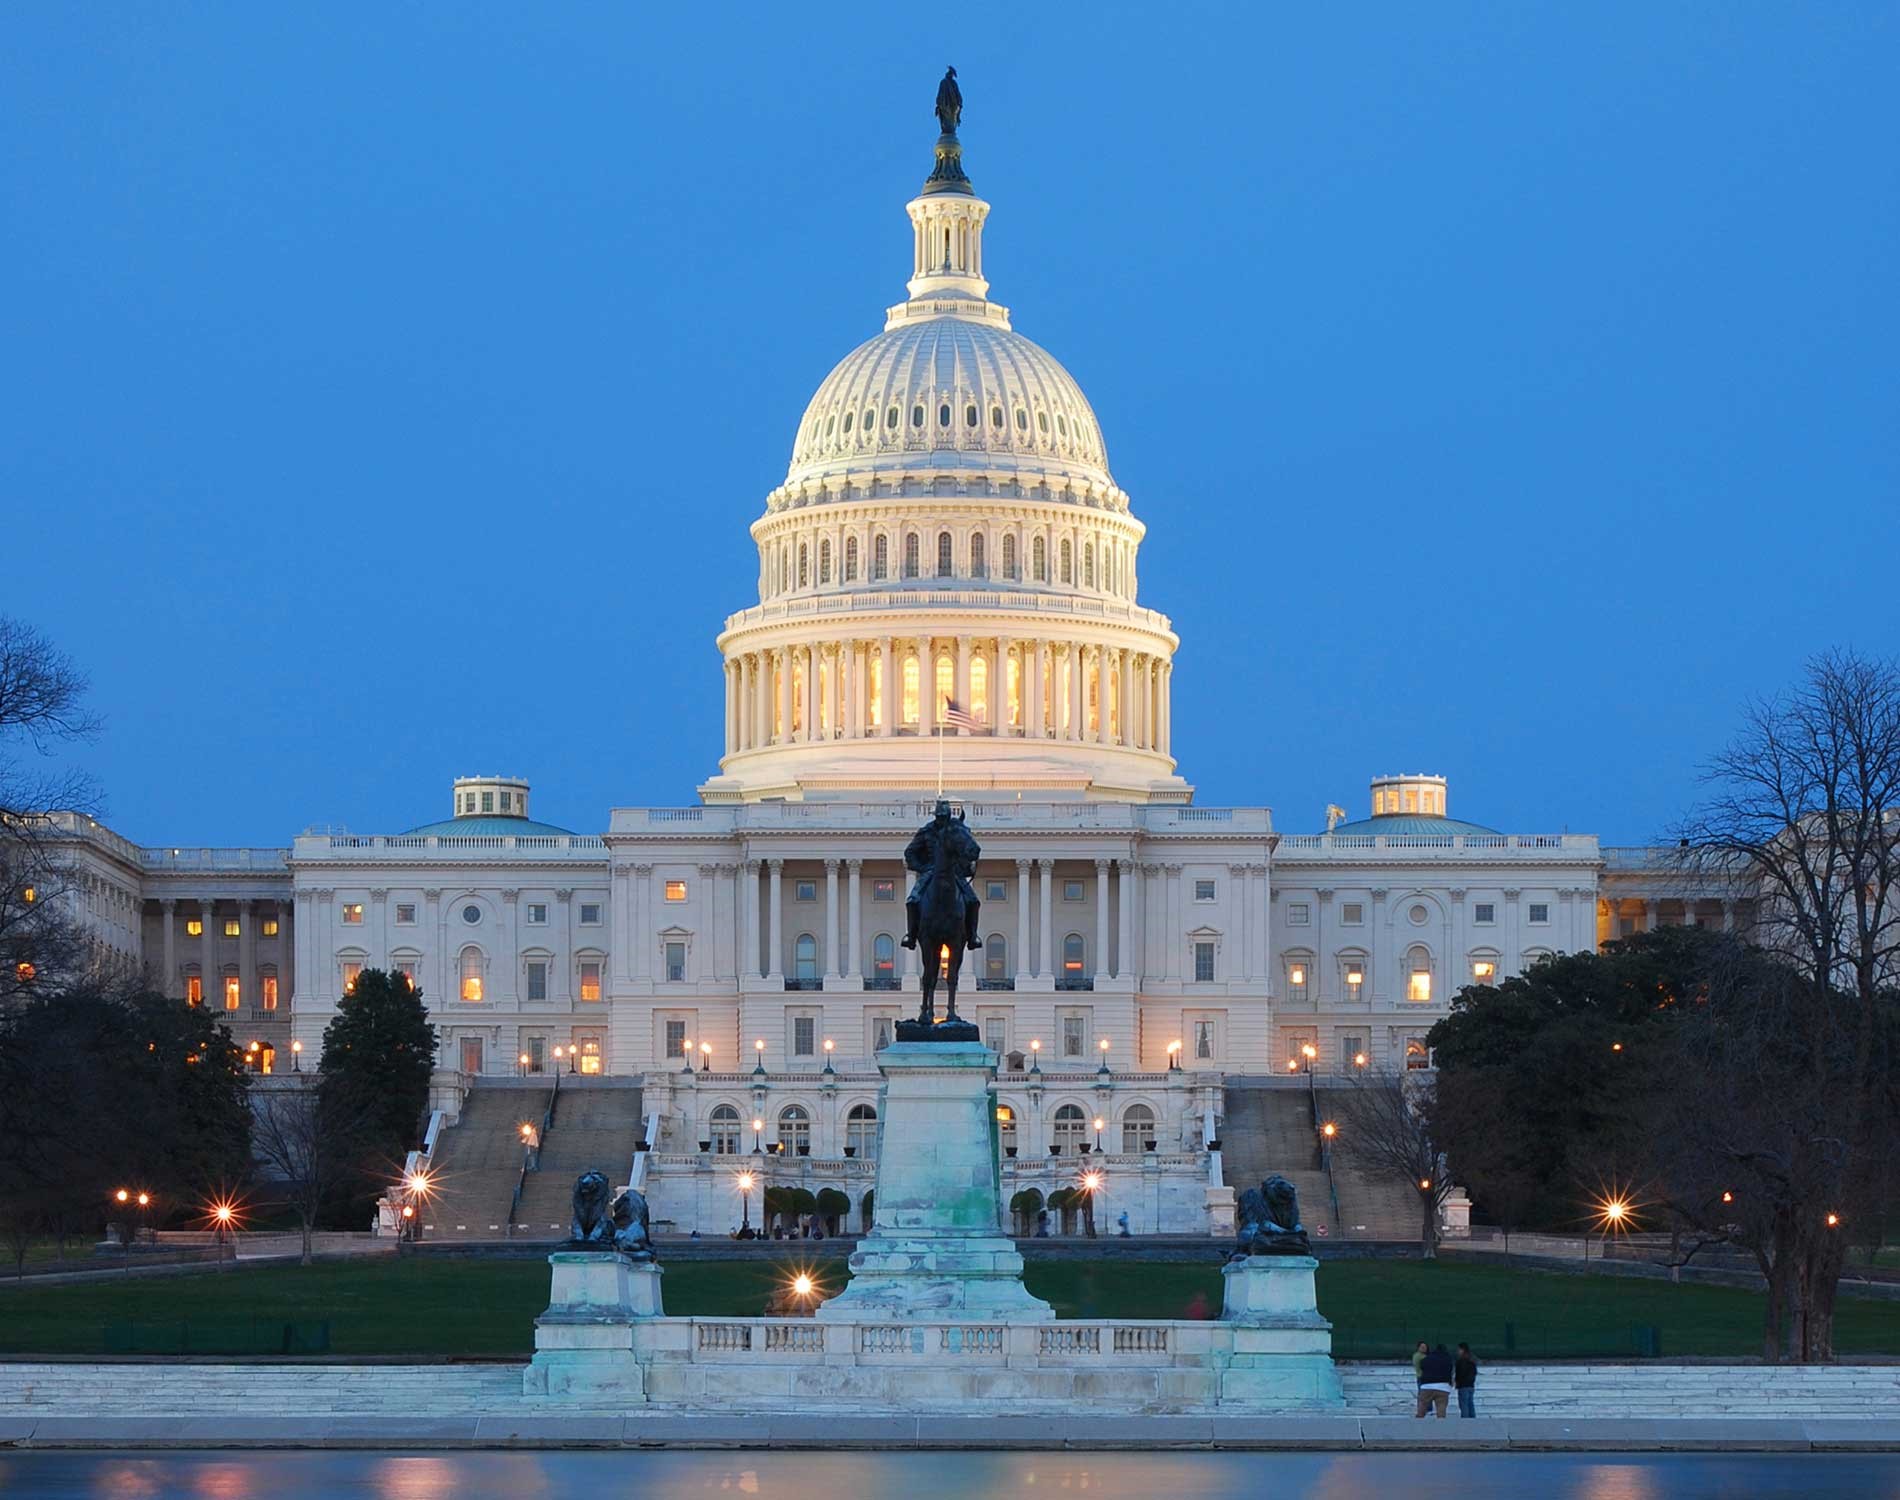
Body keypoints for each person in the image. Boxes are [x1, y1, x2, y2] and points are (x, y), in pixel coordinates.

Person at [1415, 1343, 1454, 1419]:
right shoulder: (1448, 1359)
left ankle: (1418, 1424)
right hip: (1443, 1387)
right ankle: (1441, 1427)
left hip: (1427, 1386)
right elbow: (1451, 1371)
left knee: (1422, 1407)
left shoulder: (1427, 1358)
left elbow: (1422, 1366)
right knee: (1441, 1410)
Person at [1454, 1342, 1478, 1418]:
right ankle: (1472, 1419)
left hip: (1463, 1385)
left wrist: (1457, 1381)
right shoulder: (1472, 1360)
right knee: (1470, 1403)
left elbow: (1460, 1373)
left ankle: (1465, 1421)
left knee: (1463, 1404)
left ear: (1462, 1350)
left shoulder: (1461, 1361)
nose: (1457, 1351)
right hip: (1471, 1385)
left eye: (1459, 1349)